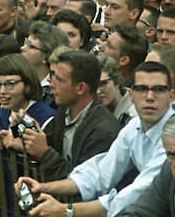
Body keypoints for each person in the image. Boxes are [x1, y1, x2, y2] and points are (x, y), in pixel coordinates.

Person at [16, 61, 175, 217]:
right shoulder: (133, 127)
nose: (150, 97)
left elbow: (136, 196)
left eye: (158, 89)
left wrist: (65, 210)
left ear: (171, 95)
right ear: (131, 95)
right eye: (142, 89)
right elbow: (100, 172)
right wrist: (43, 187)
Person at [17, 50, 118, 181]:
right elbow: (47, 144)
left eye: (59, 80)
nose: (51, 85)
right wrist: (26, 135)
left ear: (81, 88)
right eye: (52, 76)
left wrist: (45, 153)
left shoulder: (103, 130)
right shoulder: (64, 110)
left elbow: (83, 184)